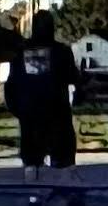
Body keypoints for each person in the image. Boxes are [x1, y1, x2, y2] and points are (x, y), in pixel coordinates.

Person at [6, 10, 79, 185]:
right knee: (63, 159)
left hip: (31, 115)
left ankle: (35, 198)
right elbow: (74, 78)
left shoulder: (21, 53)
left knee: (32, 161)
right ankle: (67, 195)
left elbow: (11, 85)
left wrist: (18, 109)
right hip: (57, 114)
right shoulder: (62, 51)